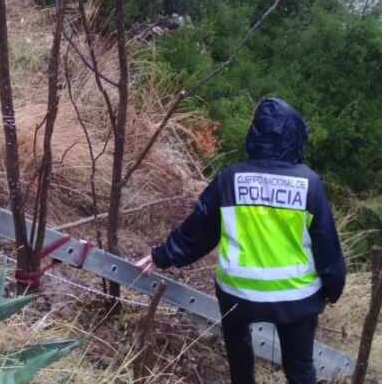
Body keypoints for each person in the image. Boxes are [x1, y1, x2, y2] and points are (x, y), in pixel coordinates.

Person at [133, 98, 346, 384]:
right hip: (296, 298)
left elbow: (199, 230)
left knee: (239, 360)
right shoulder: (310, 184)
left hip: (238, 292)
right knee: (300, 368)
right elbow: (326, 245)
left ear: (254, 134)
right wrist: (333, 288)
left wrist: (162, 256)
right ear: (295, 136)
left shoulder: (229, 179)